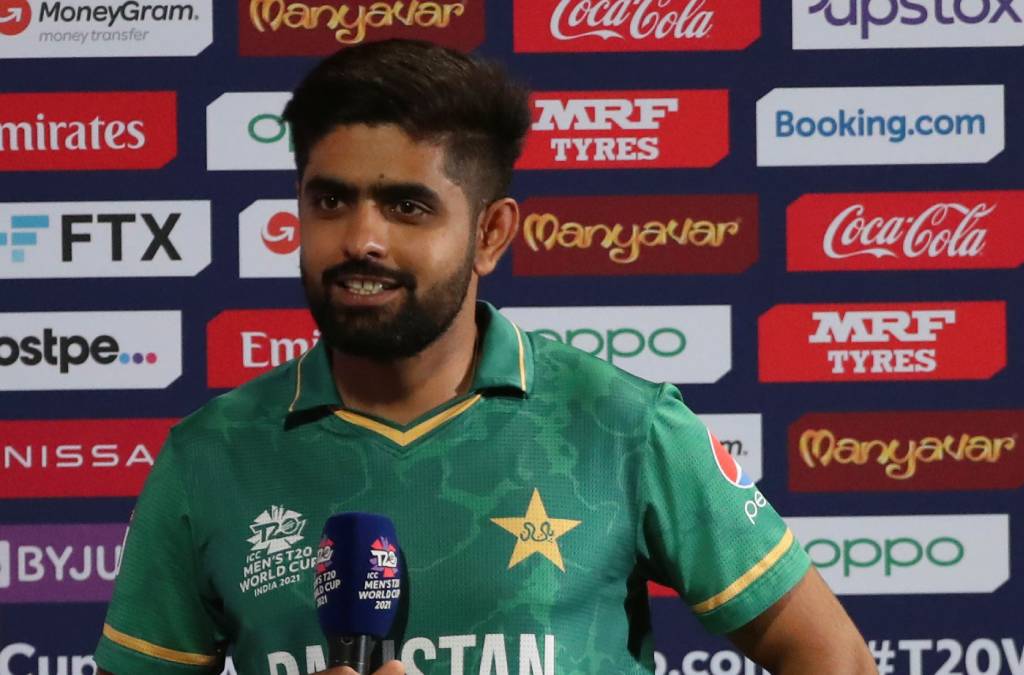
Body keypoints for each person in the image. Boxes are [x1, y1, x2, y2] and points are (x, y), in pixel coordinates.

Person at [94, 39, 877, 675]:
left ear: (492, 234)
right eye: (330, 200)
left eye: (407, 206)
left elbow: (830, 656)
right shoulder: (211, 456)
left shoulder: (619, 422)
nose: (361, 238)